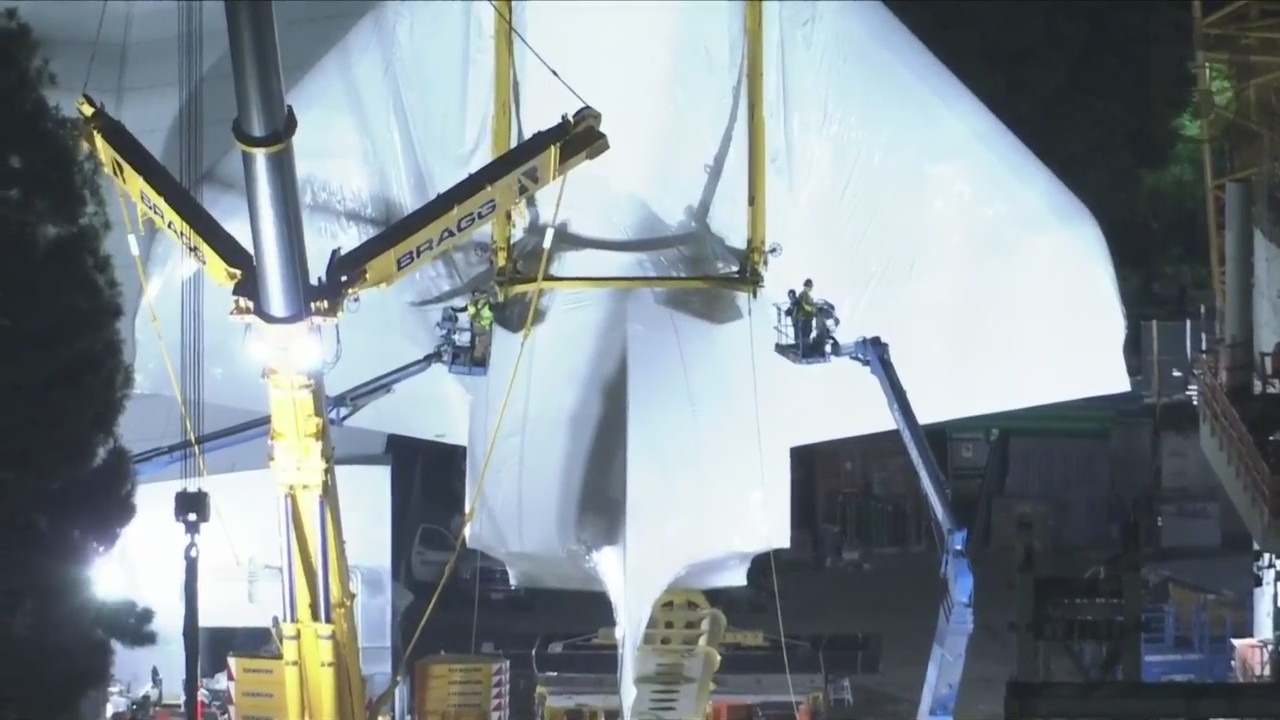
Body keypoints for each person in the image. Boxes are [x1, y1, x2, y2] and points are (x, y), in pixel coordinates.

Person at [465, 290, 495, 365]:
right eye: (478, 351)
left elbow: (472, 312)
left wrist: (472, 303)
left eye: (476, 350)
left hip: (486, 295)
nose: (477, 348)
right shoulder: (493, 338)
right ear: (485, 352)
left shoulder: (477, 331)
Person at [796, 278, 817, 357]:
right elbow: (804, 305)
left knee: (807, 334)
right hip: (804, 318)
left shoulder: (807, 295)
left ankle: (806, 351)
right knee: (804, 335)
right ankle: (804, 353)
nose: (811, 288)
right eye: (810, 287)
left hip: (808, 318)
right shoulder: (803, 295)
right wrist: (812, 309)